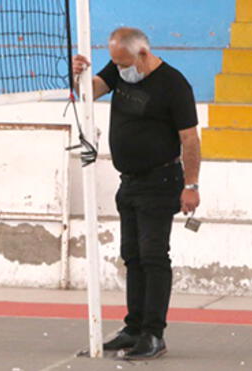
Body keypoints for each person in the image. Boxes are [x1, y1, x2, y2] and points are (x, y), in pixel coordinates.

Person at [72, 27, 201, 360]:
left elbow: (190, 139)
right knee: (132, 256)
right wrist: (79, 76)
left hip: (160, 183)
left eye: (124, 62)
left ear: (143, 54)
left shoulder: (173, 84)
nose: (119, 68)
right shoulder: (119, 70)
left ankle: (154, 334)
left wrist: (191, 186)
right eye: (115, 62)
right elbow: (91, 91)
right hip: (128, 182)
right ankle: (133, 328)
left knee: (153, 256)